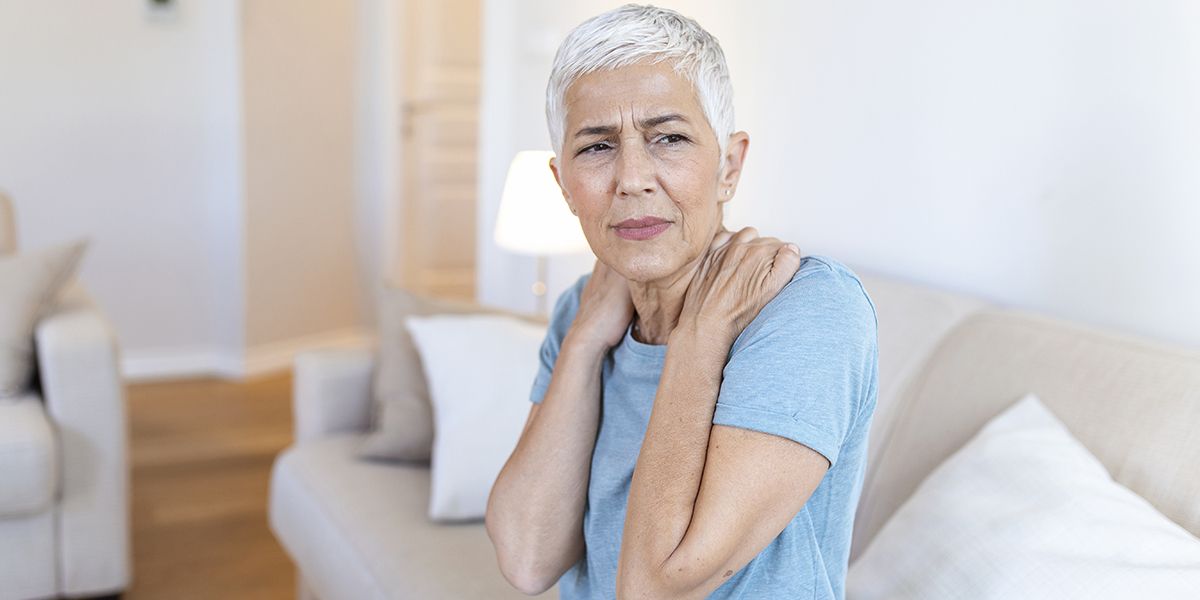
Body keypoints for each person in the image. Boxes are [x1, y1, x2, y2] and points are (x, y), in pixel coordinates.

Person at [485, 5, 878, 599]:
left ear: (729, 166)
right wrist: (585, 342)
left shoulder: (808, 309)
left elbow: (655, 589)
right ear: (563, 184)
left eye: (669, 138)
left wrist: (700, 335)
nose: (632, 178)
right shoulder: (581, 310)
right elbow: (527, 557)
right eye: (596, 147)